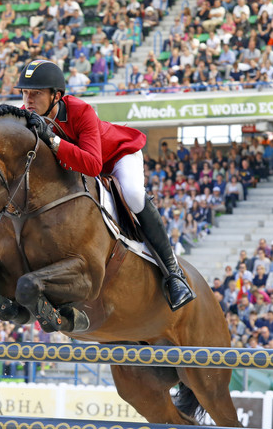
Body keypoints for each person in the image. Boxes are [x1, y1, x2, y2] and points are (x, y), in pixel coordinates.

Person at [15, 59, 195, 310]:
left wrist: (52, 140)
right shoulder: (28, 117)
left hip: (117, 157)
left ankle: (174, 276)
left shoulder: (81, 111)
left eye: (36, 93)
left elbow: (93, 166)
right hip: (81, 167)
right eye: (25, 93)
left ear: (56, 96)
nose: (28, 100)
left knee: (132, 194)